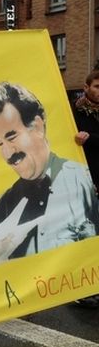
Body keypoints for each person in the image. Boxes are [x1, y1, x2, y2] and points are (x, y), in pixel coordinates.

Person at [0, 82, 99, 274]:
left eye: (12, 136)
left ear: (38, 126)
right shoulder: (3, 205)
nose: (7, 153)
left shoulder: (82, 182)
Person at [73, 70, 99, 308]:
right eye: (98, 86)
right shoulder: (73, 112)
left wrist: (89, 138)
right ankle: (81, 285)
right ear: (86, 87)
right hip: (83, 179)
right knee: (85, 233)